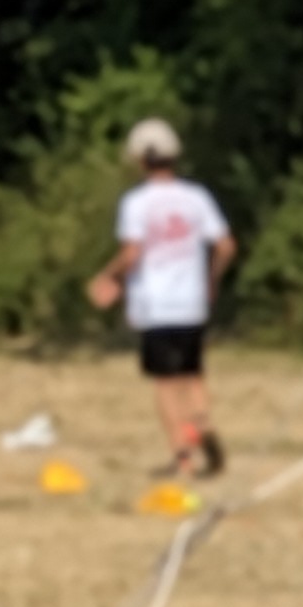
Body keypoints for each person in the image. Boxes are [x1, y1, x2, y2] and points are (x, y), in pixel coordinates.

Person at [88, 118, 236, 480]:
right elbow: (225, 246)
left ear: (140, 160)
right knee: (192, 374)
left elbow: (132, 252)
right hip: (191, 301)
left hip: (156, 304)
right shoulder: (197, 197)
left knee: (166, 383)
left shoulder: (136, 203)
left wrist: (108, 276)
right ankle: (202, 425)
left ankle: (183, 457)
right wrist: (211, 279)